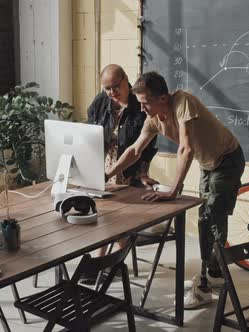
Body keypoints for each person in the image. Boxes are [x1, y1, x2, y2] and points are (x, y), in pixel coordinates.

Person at [105, 71, 245, 309]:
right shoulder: (153, 118)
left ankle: (206, 284)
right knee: (206, 218)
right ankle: (214, 274)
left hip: (228, 159)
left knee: (211, 217)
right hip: (208, 163)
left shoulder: (183, 102)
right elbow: (134, 150)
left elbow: (186, 149)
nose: (142, 109)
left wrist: (173, 190)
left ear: (163, 98)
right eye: (139, 104)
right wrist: (106, 175)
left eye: (145, 103)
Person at [80, 64, 158, 284]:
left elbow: (147, 147)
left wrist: (143, 173)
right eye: (107, 88)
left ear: (126, 80)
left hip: (128, 167)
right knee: (102, 214)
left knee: (121, 220)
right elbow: (89, 131)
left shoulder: (140, 106)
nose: (112, 93)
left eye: (116, 86)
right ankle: (101, 263)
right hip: (103, 163)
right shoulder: (100, 102)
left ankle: (109, 264)